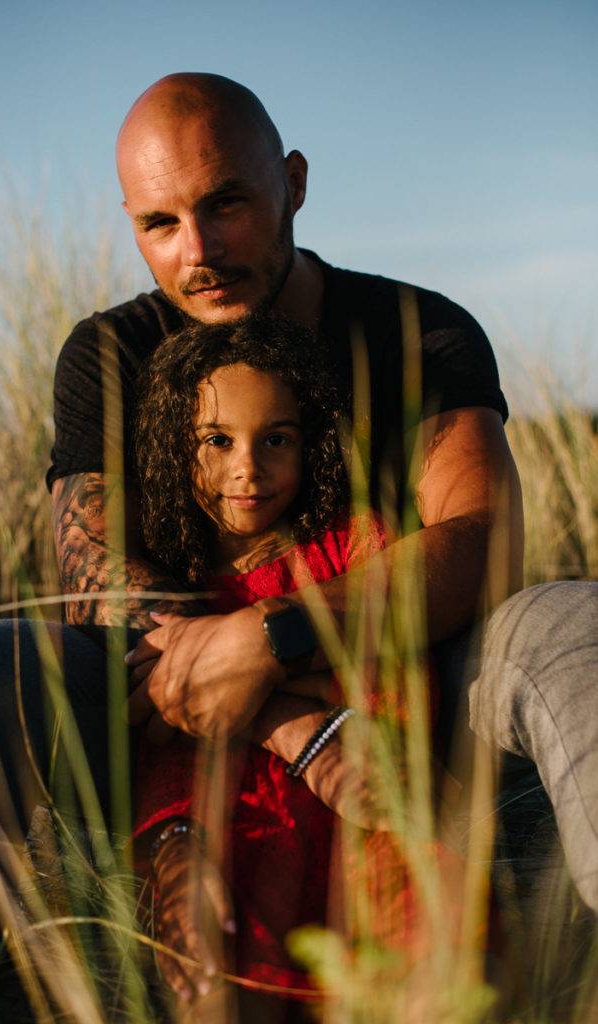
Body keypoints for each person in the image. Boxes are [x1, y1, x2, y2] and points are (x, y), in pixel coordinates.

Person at [0, 71, 596, 1022]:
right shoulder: (111, 352)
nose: (197, 252)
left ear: (295, 183)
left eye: (225, 203)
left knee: (576, 625)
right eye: (159, 223)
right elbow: (94, 587)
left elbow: (483, 541)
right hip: (166, 721)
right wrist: (292, 720)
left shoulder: (416, 330)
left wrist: (275, 634)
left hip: (418, 689)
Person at [129, 313, 459, 1012]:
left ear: (312, 442)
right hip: (234, 832)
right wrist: (174, 846)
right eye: (216, 441)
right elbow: (160, 740)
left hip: (367, 823)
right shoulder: (172, 597)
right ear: (173, 447)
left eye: (275, 439)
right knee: (215, 979)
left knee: (434, 967)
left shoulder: (352, 550)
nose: (248, 467)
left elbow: (402, 682)